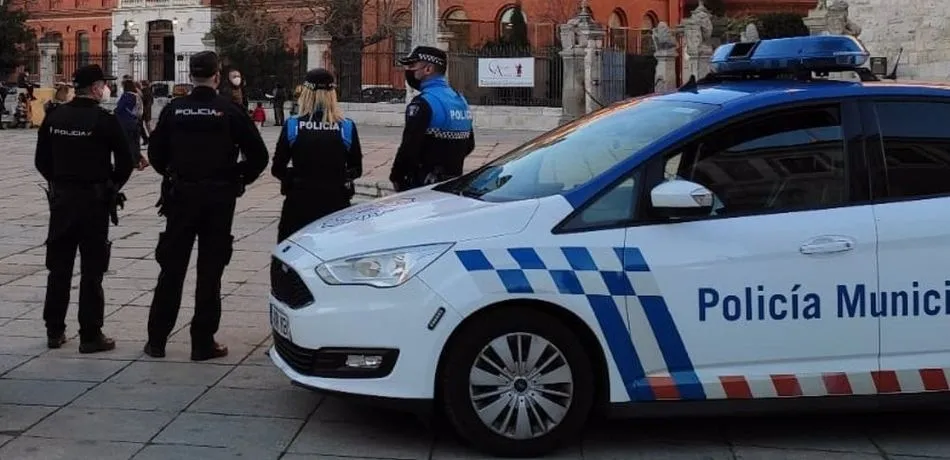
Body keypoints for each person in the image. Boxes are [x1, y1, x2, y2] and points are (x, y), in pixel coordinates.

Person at [144, 51, 269, 361]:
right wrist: (238, 178)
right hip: (218, 198)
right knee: (210, 272)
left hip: (181, 195)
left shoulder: (175, 109)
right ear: (217, 76)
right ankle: (202, 342)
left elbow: (156, 153)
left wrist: (173, 173)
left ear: (190, 75)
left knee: (171, 268)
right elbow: (259, 156)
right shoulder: (229, 110)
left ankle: (157, 340)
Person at [34, 64, 134, 353]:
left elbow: (41, 160)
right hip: (94, 202)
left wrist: (59, 180)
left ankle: (54, 331)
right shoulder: (104, 120)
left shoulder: (54, 117)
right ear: (94, 88)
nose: (106, 89)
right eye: (103, 84)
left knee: (59, 268)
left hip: (62, 200)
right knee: (92, 270)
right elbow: (125, 162)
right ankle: (90, 335)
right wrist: (110, 185)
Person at [272, 68, 362, 242]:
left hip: (299, 200)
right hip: (335, 200)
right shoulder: (346, 127)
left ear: (306, 93)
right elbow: (356, 169)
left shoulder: (293, 125)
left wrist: (292, 178)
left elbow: (278, 168)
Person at [389, 46, 475, 192]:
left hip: (423, 185)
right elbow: (469, 144)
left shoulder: (423, 103)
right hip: (453, 182)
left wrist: (397, 177)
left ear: (428, 69)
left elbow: (409, 147)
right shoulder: (460, 100)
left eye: (412, 66)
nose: (408, 71)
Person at [115, 79, 147, 169]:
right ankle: (140, 160)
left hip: (125, 122)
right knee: (135, 143)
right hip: (135, 121)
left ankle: (134, 162)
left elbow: (119, 108)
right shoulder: (137, 95)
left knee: (128, 143)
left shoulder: (126, 95)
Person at [139, 80, 154, 145]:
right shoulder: (149, 91)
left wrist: (143, 111)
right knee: (147, 126)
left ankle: (151, 139)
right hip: (147, 111)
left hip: (144, 111)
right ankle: (151, 138)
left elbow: (144, 101)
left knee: (144, 126)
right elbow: (151, 102)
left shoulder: (144, 91)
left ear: (143, 85)